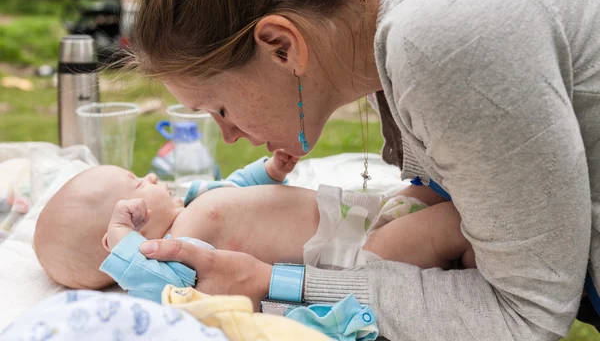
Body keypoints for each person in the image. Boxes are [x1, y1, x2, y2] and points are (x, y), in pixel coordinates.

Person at [129, 0, 600, 339]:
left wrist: (275, 284)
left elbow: (524, 318)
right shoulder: (395, 15)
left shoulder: (441, 42)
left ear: (280, 46)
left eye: (221, 109)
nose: (228, 136)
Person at [33, 156, 474, 306]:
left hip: (365, 215)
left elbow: (238, 187)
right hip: (361, 254)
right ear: (123, 233)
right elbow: (160, 287)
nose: (149, 178)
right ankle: (479, 250)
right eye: (135, 184)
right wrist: (123, 244)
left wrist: (267, 169)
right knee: (450, 225)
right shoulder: (175, 254)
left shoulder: (191, 202)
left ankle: (473, 242)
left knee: (432, 188)